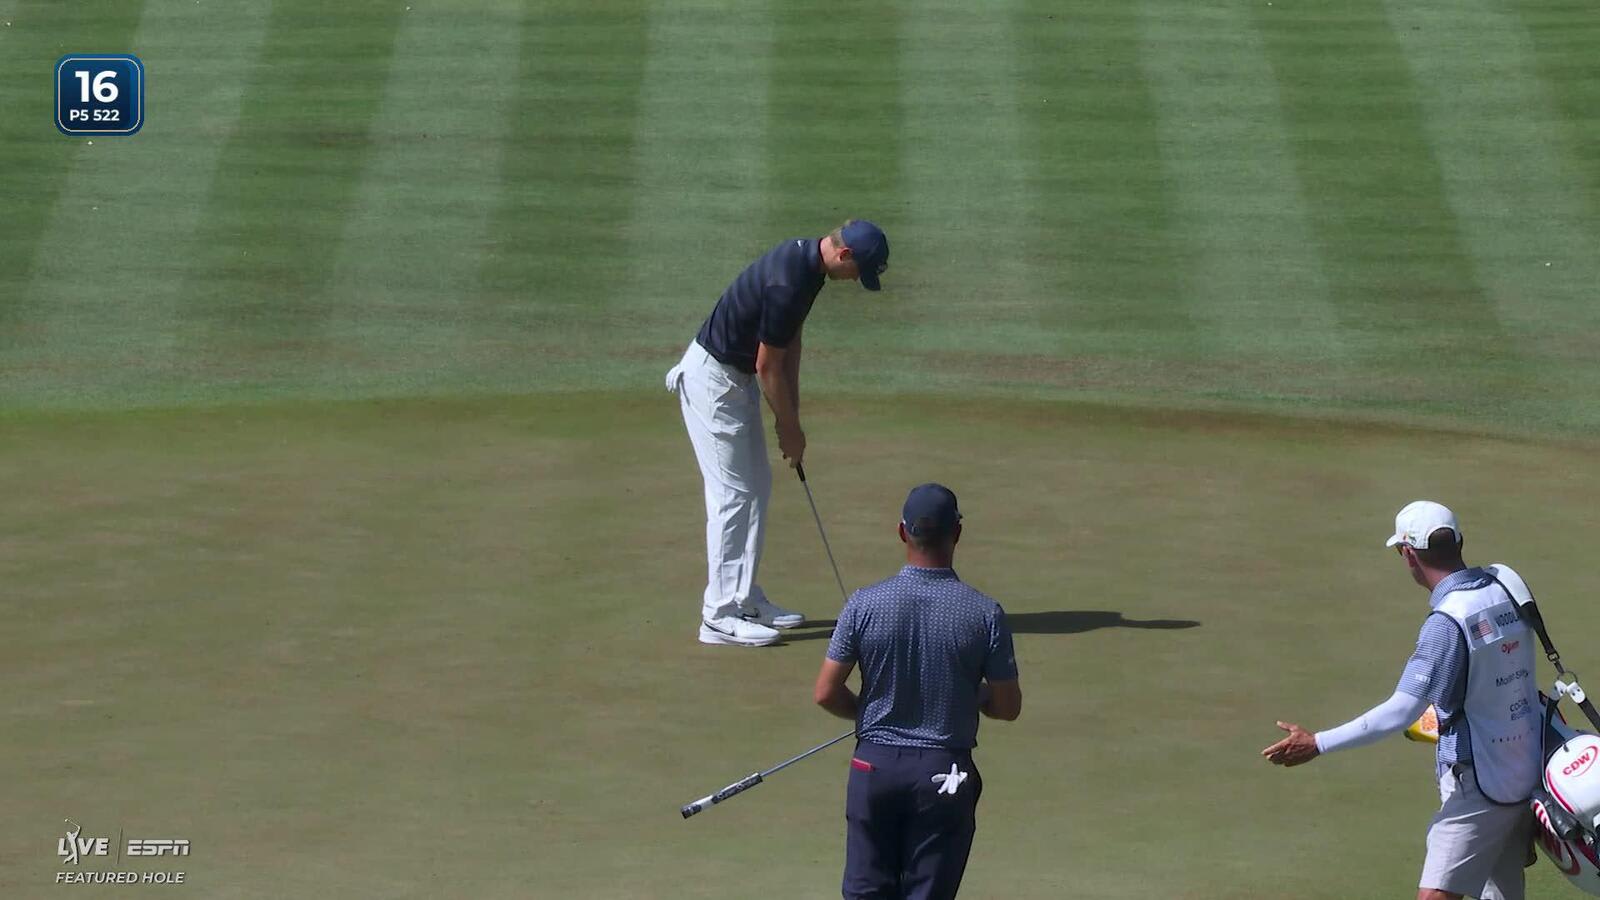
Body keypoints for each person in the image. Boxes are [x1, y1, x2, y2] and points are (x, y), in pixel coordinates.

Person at [1262, 500, 1542, 900]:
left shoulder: (1446, 624)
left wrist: (1317, 743)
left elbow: (1400, 712)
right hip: (1524, 768)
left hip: (1480, 784)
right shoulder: (1505, 585)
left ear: (1408, 554)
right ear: (1459, 540)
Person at [666, 219, 890, 648]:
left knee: (757, 489)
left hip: (735, 381)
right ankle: (718, 615)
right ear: (844, 255)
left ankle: (744, 597)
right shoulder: (791, 281)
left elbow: (791, 345)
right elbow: (768, 365)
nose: (855, 280)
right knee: (733, 496)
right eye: (859, 271)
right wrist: (789, 428)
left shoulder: (809, 266)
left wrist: (794, 416)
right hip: (713, 385)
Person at [814, 483, 1021, 900]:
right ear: (957, 534)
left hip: (873, 767)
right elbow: (1008, 706)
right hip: (944, 774)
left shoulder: (864, 603)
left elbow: (826, 693)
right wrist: (976, 696)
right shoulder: (985, 612)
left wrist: (869, 716)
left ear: (902, 532)